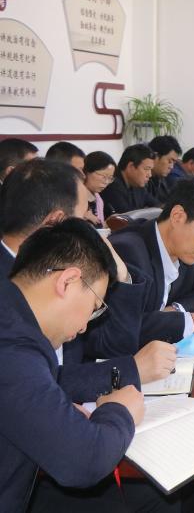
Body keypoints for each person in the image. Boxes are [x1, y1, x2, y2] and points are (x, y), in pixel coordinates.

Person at [0, 160, 176, 405]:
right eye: (83, 217)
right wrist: (130, 370)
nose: (92, 225)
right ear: (55, 222)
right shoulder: (18, 291)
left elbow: (113, 346)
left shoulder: (69, 270)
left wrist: (121, 275)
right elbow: (30, 384)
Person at [0, 218, 144, 512]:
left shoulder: (11, 319)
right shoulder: (11, 344)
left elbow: (36, 385)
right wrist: (119, 411)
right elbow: (83, 461)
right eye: (94, 308)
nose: (83, 327)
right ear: (67, 281)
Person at [110, 177, 194, 347]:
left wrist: (176, 310)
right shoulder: (128, 251)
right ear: (178, 216)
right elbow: (122, 331)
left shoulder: (185, 253)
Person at [100, 144, 161, 214]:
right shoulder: (112, 186)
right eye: (146, 169)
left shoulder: (136, 184)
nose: (150, 175)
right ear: (131, 166)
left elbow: (157, 205)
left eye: (150, 170)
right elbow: (128, 217)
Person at [82, 151, 116, 227]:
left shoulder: (98, 199)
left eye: (110, 178)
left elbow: (99, 229)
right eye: (103, 176)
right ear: (87, 171)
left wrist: (106, 224)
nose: (106, 182)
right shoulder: (75, 195)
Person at [147, 135, 182, 203]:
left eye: (174, 163)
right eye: (170, 161)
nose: (171, 167)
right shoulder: (140, 180)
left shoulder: (161, 179)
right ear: (155, 156)